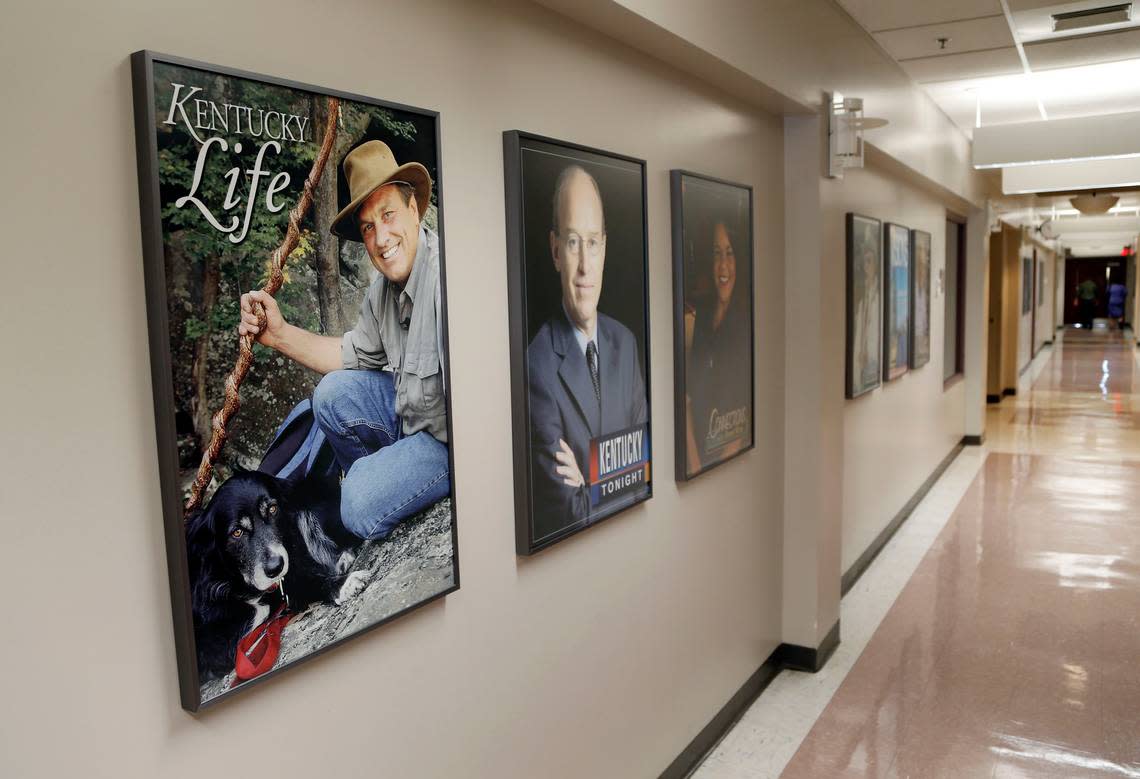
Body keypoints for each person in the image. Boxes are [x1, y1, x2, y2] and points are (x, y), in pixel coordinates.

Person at [238, 140, 449, 541]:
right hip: (412, 421)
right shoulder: (382, 291)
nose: (381, 237)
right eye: (368, 227)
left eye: (388, 215)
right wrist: (277, 335)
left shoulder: (447, 281)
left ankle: (376, 499)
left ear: (414, 209)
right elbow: (348, 356)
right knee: (331, 394)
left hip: (450, 445)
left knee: (356, 502)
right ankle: (382, 485)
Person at [526, 164, 648, 540]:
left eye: (592, 242)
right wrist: (617, 471)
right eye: (573, 242)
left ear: (605, 248)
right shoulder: (536, 365)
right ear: (555, 250)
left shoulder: (625, 344)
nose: (584, 266)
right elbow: (571, 513)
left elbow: (645, 474)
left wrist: (590, 478)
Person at [684, 219, 751, 475]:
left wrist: (713, 474)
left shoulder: (747, 322)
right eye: (717, 253)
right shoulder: (703, 315)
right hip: (697, 462)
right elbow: (687, 399)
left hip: (729, 466)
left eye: (730, 253)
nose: (723, 265)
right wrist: (695, 466)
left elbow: (743, 420)